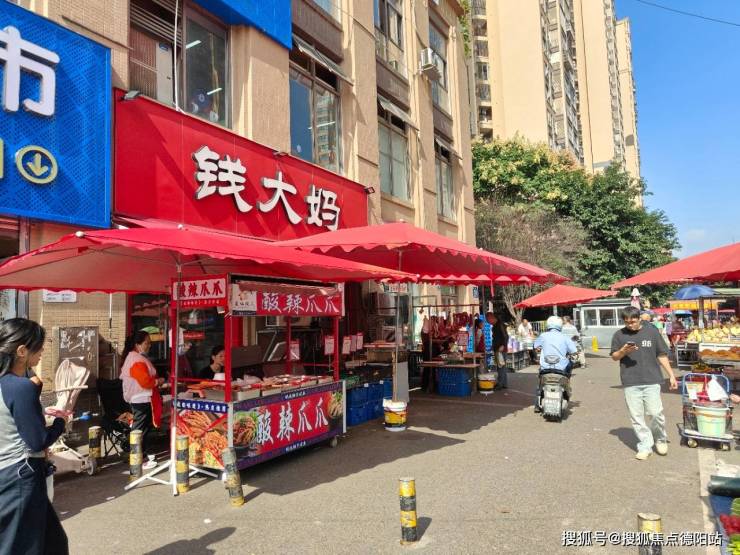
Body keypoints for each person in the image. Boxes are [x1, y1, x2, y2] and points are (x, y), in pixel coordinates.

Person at [0, 318, 69, 555]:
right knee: (23, 546)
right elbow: (38, 440)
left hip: (8, 473)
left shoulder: (11, 384)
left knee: (53, 543)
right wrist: (61, 422)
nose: (42, 352)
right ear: (21, 351)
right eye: (38, 347)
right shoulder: (21, 388)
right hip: (21, 476)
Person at [610, 306, 678, 460]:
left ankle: (660, 439)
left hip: (652, 379)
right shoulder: (619, 335)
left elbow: (661, 355)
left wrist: (672, 375)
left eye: (633, 322)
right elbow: (614, 356)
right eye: (627, 322)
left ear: (639, 319)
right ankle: (645, 445)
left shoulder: (652, 332)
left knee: (655, 413)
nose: (630, 325)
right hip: (630, 381)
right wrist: (623, 351)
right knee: (636, 416)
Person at [120, 331, 164, 468]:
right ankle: (138, 458)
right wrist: (158, 381)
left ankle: (140, 455)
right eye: (146, 343)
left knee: (142, 428)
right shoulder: (136, 359)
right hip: (141, 398)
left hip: (141, 398)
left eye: (150, 343)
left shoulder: (135, 357)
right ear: (137, 344)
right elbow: (145, 382)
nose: (149, 345)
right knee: (140, 429)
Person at [533, 316, 578, 410]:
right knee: (570, 364)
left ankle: (537, 405)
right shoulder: (565, 337)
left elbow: (535, 346)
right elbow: (574, 351)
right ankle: (567, 386)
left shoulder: (543, 336)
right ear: (560, 325)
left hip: (545, 368)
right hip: (561, 369)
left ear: (548, 325)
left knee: (540, 383)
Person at [486, 313, 509, 390]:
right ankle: (504, 383)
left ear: (492, 318)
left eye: (488, 320)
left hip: (501, 349)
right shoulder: (495, 326)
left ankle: (500, 384)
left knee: (501, 367)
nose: (488, 322)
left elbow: (506, 336)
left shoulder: (500, 325)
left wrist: (503, 345)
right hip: (497, 348)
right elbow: (495, 338)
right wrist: (492, 347)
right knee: (501, 366)